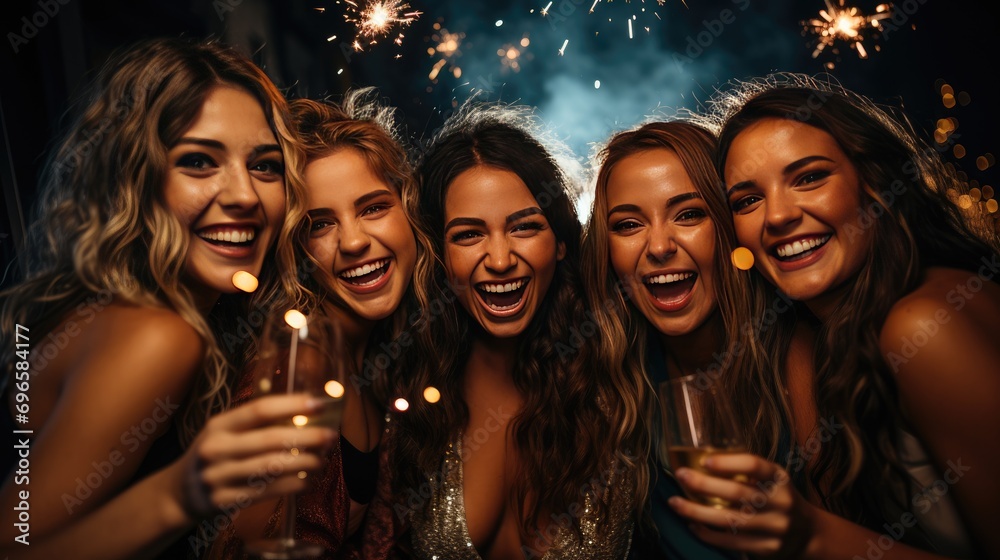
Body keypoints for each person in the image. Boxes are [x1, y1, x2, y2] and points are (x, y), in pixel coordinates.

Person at [0, 37, 334, 559]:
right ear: (133, 176)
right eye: (199, 161)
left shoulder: (123, 317)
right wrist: (178, 495)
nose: (244, 194)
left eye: (265, 166)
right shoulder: (158, 336)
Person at [669, 74, 1000, 558]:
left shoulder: (925, 326)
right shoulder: (816, 336)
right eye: (748, 200)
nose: (778, 216)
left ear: (875, 184)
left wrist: (813, 535)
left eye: (808, 177)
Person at [388, 104, 644, 559]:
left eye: (524, 227)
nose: (501, 259)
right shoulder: (406, 395)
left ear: (561, 241)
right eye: (468, 235)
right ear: (439, 256)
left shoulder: (623, 373)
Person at [203, 88, 428, 558]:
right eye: (319, 225)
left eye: (372, 207)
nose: (353, 242)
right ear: (294, 248)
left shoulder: (392, 354)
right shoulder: (293, 373)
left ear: (409, 211)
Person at [580, 121, 756, 559]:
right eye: (628, 224)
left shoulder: (801, 357)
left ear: (729, 223)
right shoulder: (611, 389)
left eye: (689, 214)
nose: (659, 246)